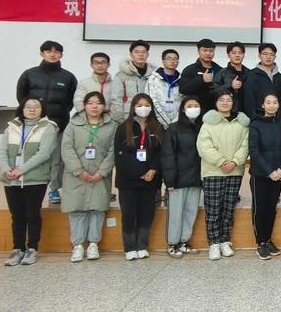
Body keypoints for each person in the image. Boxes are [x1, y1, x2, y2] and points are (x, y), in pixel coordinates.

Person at [16, 40, 77, 204]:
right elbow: (21, 97)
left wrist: (59, 113)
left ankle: (54, 189)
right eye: (49, 51)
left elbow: (71, 101)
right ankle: (28, 184)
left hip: (58, 123)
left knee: (56, 159)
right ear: (42, 53)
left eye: (56, 52)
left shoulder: (68, 77)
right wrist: (32, 114)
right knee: (31, 155)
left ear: (61, 55)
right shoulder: (29, 74)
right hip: (33, 124)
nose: (52, 54)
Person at [0, 98, 57, 266]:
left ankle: (32, 248)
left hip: (35, 179)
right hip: (12, 180)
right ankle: (17, 248)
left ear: (42, 109)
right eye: (28, 107)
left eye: (36, 107)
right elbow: (2, 152)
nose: (32, 109)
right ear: (22, 109)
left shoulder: (49, 127)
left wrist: (21, 169)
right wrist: (6, 169)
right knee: (17, 216)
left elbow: (44, 154)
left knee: (32, 214)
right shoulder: (12, 127)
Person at [61, 92, 116, 263]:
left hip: (100, 175)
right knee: (77, 209)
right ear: (84, 105)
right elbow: (66, 148)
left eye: (98, 103)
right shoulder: (73, 125)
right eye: (90, 103)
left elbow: (113, 150)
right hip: (76, 175)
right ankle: (77, 245)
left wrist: (102, 172)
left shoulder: (112, 126)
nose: (94, 106)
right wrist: (78, 170)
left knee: (97, 209)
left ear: (104, 106)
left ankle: (93, 244)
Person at [197, 92, 250, 260]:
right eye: (221, 100)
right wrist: (221, 162)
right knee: (213, 209)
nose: (225, 103)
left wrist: (234, 162)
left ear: (233, 103)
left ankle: (225, 241)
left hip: (234, 171)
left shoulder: (242, 123)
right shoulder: (208, 124)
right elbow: (204, 147)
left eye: (229, 100)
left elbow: (245, 145)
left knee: (228, 209)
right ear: (216, 103)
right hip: (213, 171)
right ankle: (214, 243)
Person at [114, 93, 162, 261]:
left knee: (146, 214)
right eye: (139, 105)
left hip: (151, 180)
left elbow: (160, 152)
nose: (143, 108)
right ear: (133, 107)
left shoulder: (157, 127)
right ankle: (129, 247)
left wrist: (153, 169)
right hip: (128, 181)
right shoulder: (123, 128)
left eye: (147, 105)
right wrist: (140, 172)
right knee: (129, 215)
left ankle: (142, 245)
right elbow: (121, 154)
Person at [160, 96, 203, 258]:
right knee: (176, 213)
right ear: (183, 109)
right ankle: (172, 243)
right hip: (178, 178)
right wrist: (169, 180)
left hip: (196, 177)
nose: (193, 108)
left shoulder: (203, 127)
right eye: (189, 105)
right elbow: (167, 155)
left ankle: (184, 241)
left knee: (190, 212)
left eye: (196, 105)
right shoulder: (173, 129)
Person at [248, 94, 281, 260]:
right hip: (260, 174)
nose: (272, 105)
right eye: (268, 102)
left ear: (278, 105)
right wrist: (269, 171)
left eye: (275, 102)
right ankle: (260, 243)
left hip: (278, 174)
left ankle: (268, 239)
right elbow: (254, 151)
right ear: (263, 105)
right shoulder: (255, 124)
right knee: (260, 209)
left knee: (271, 208)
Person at [111, 39, 154, 124]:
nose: (140, 54)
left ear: (148, 54)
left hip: (148, 118)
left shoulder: (153, 75)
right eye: (136, 52)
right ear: (131, 54)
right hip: (127, 117)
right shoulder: (121, 76)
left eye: (144, 52)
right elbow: (116, 99)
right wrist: (120, 119)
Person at [179, 39, 223, 112]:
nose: (208, 53)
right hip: (195, 110)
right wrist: (201, 80)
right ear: (198, 51)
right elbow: (183, 90)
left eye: (211, 51)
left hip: (216, 111)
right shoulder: (190, 69)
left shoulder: (219, 70)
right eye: (205, 50)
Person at [242, 43, 281, 118]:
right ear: (259, 56)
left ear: (275, 57)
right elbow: (249, 101)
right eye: (265, 54)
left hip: (277, 120)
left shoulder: (279, 77)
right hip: (258, 119)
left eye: (271, 54)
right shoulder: (252, 75)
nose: (268, 57)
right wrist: (254, 119)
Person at [145, 49, 182, 129]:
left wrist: (175, 122)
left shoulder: (182, 79)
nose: (172, 61)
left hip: (177, 123)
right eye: (169, 58)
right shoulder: (153, 79)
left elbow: (184, 102)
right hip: (158, 123)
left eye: (175, 59)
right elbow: (152, 102)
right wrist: (166, 123)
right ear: (163, 61)